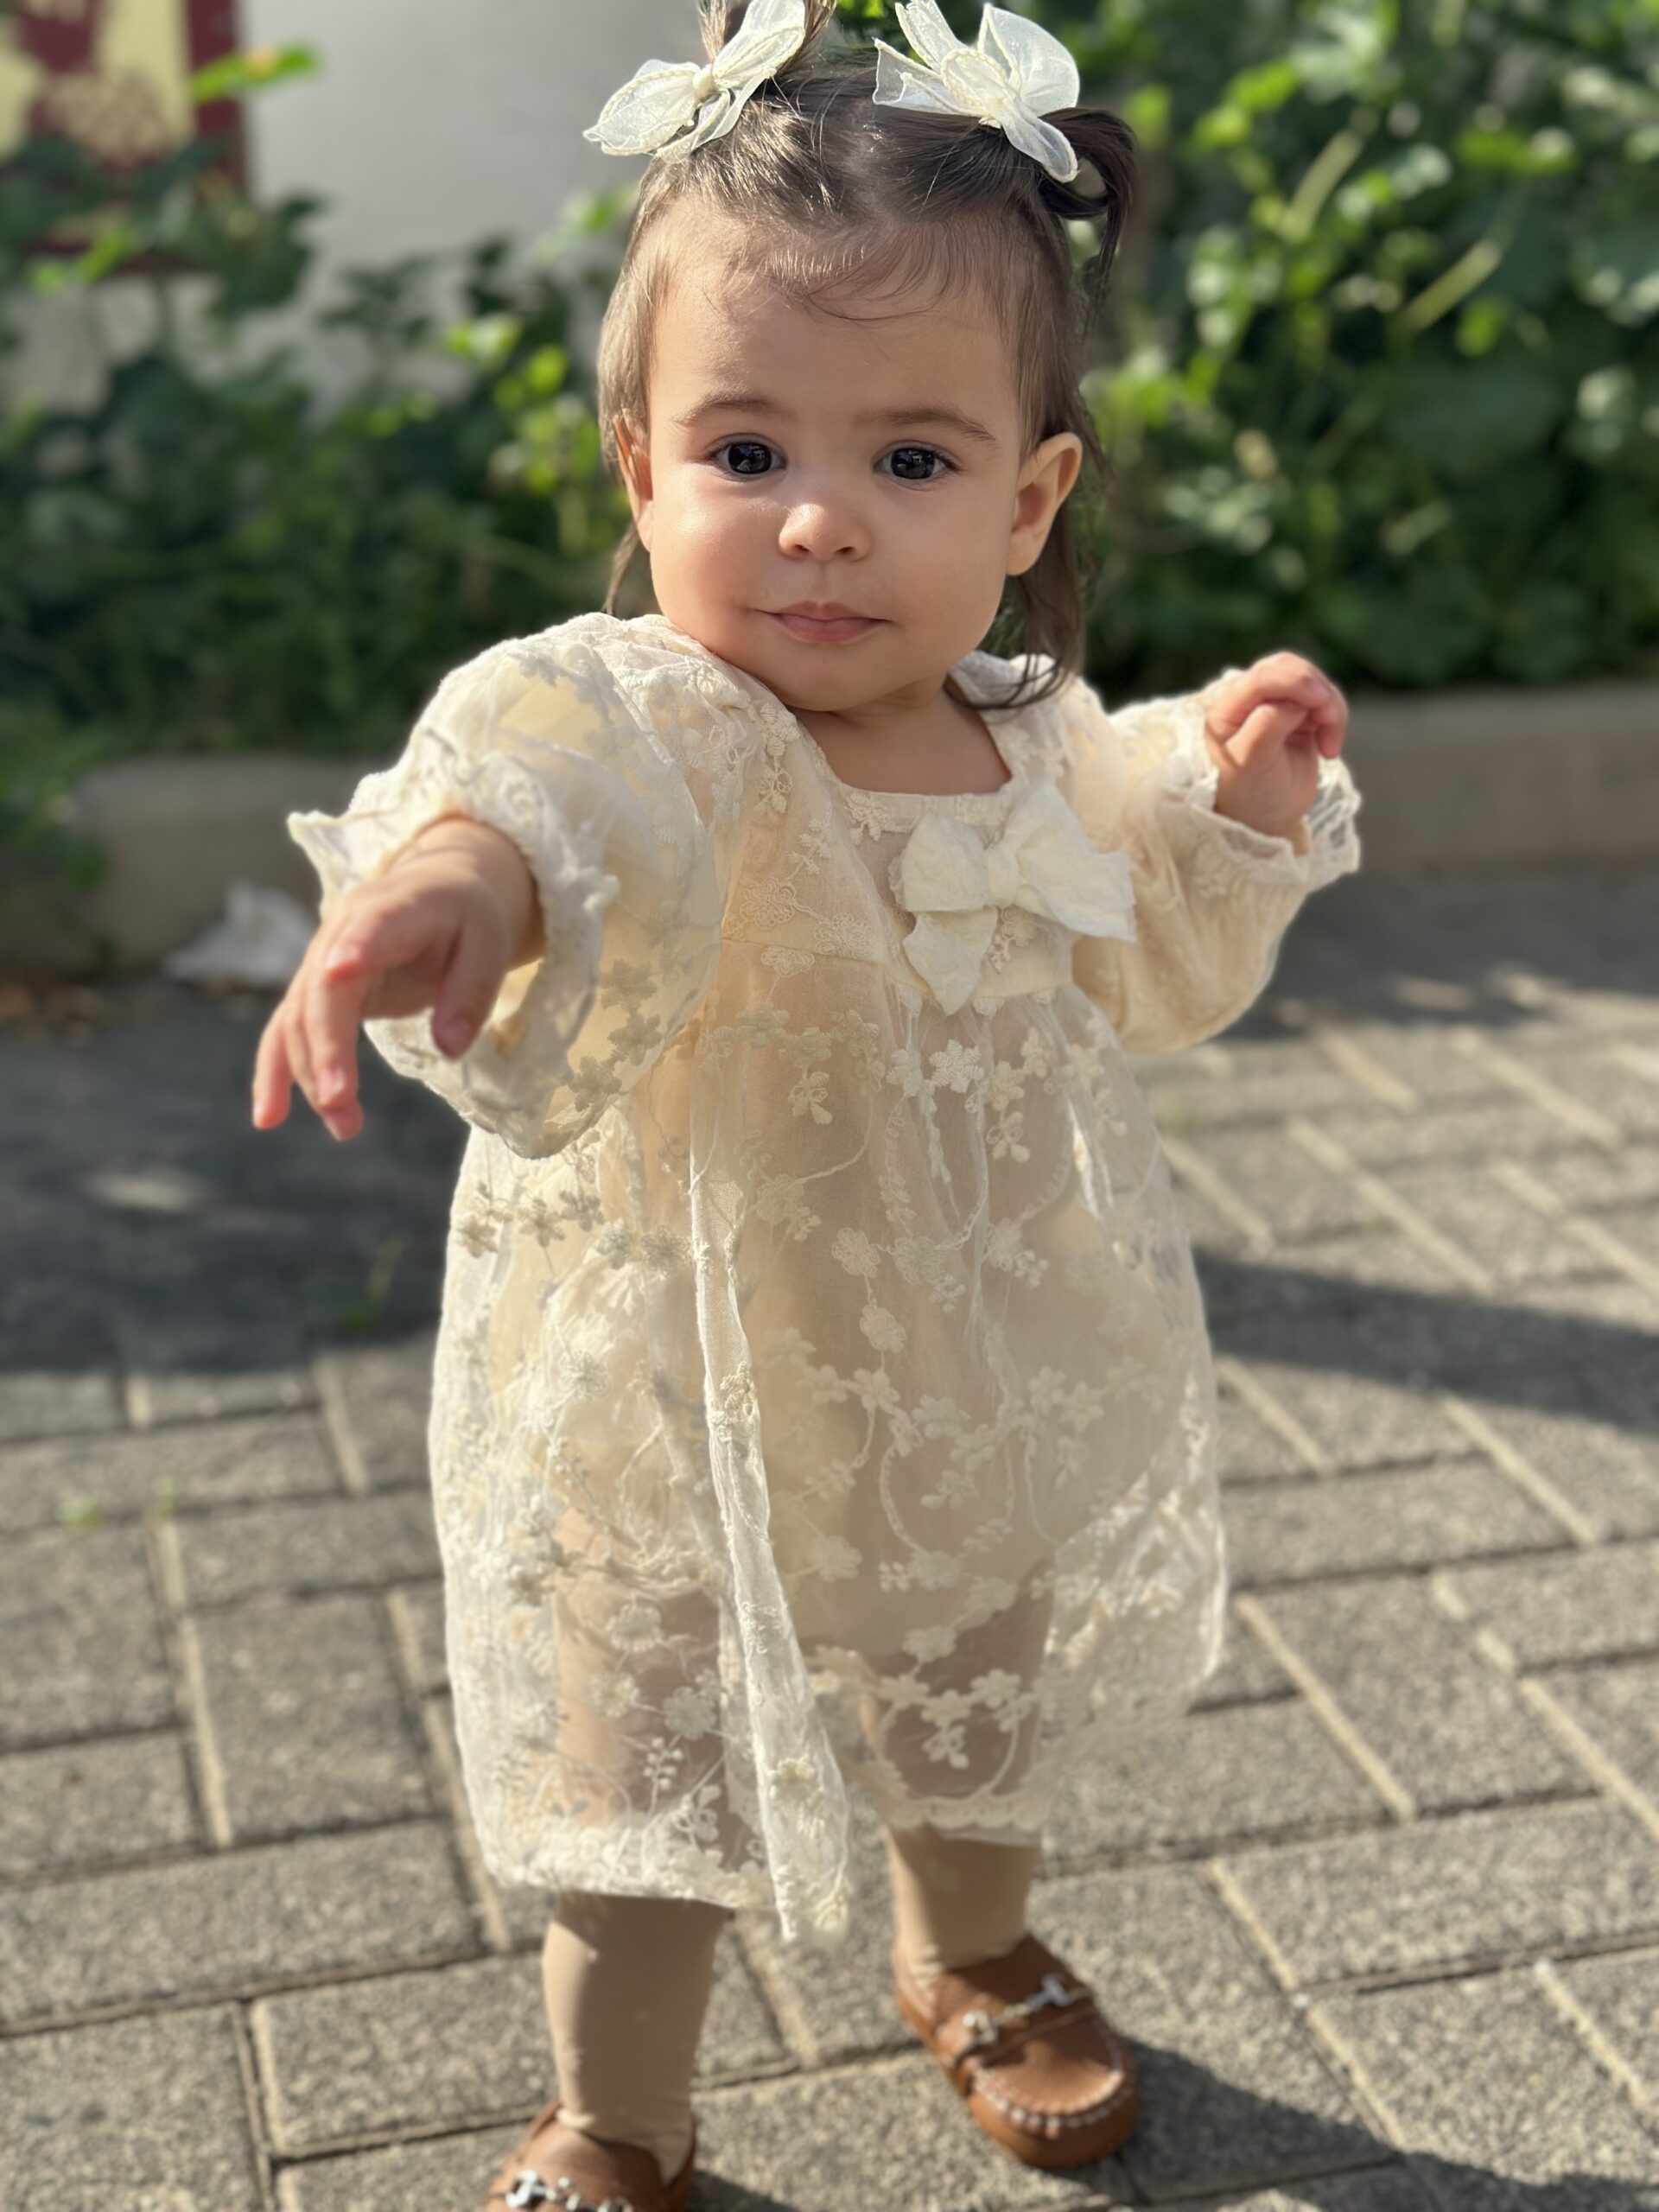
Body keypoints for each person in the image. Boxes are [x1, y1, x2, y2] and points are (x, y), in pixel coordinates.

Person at [251, 4, 1360, 2207]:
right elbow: (540, 787)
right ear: (640, 470)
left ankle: (972, 1947)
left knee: (975, 1690)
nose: (822, 522)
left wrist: (1230, 802)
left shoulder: (1040, 744)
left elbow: (1157, 963)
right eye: (746, 449)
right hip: (671, 1397)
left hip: (965, 1363)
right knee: (637, 1784)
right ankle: (619, 2115)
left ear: (1029, 497)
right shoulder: (669, 718)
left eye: (914, 464)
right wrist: (451, 879)